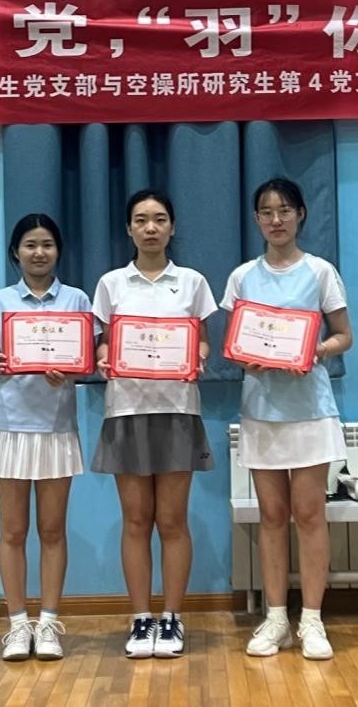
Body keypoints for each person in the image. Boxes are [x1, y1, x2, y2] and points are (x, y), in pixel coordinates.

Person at [220, 177, 353, 660]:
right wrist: (246, 359)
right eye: (266, 212)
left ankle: (312, 620)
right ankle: (276, 618)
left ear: (300, 215)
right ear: (256, 219)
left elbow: (344, 335)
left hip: (310, 411)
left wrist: (315, 352)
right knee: (272, 516)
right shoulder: (241, 277)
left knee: (310, 515)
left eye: (284, 210)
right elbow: (234, 344)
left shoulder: (320, 272)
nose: (275, 220)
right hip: (262, 411)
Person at [91, 189, 218, 659]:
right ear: (128, 228)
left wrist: (197, 357)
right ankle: (141, 618)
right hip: (125, 411)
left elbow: (202, 341)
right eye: (141, 220)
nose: (150, 227)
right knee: (136, 519)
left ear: (172, 227)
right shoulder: (111, 284)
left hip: (178, 409)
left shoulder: (192, 282)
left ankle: (173, 618)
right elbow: (104, 343)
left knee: (172, 520)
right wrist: (104, 357)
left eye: (160, 219)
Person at [0, 213, 94, 662]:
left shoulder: (77, 299)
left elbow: (87, 362)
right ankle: (17, 625)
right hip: (7, 427)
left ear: (58, 251)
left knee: (52, 529)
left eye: (47, 244)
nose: (39, 252)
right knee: (13, 530)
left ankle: (48, 624)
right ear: (15, 253)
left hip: (56, 429)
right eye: (30, 245)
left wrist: (72, 373)